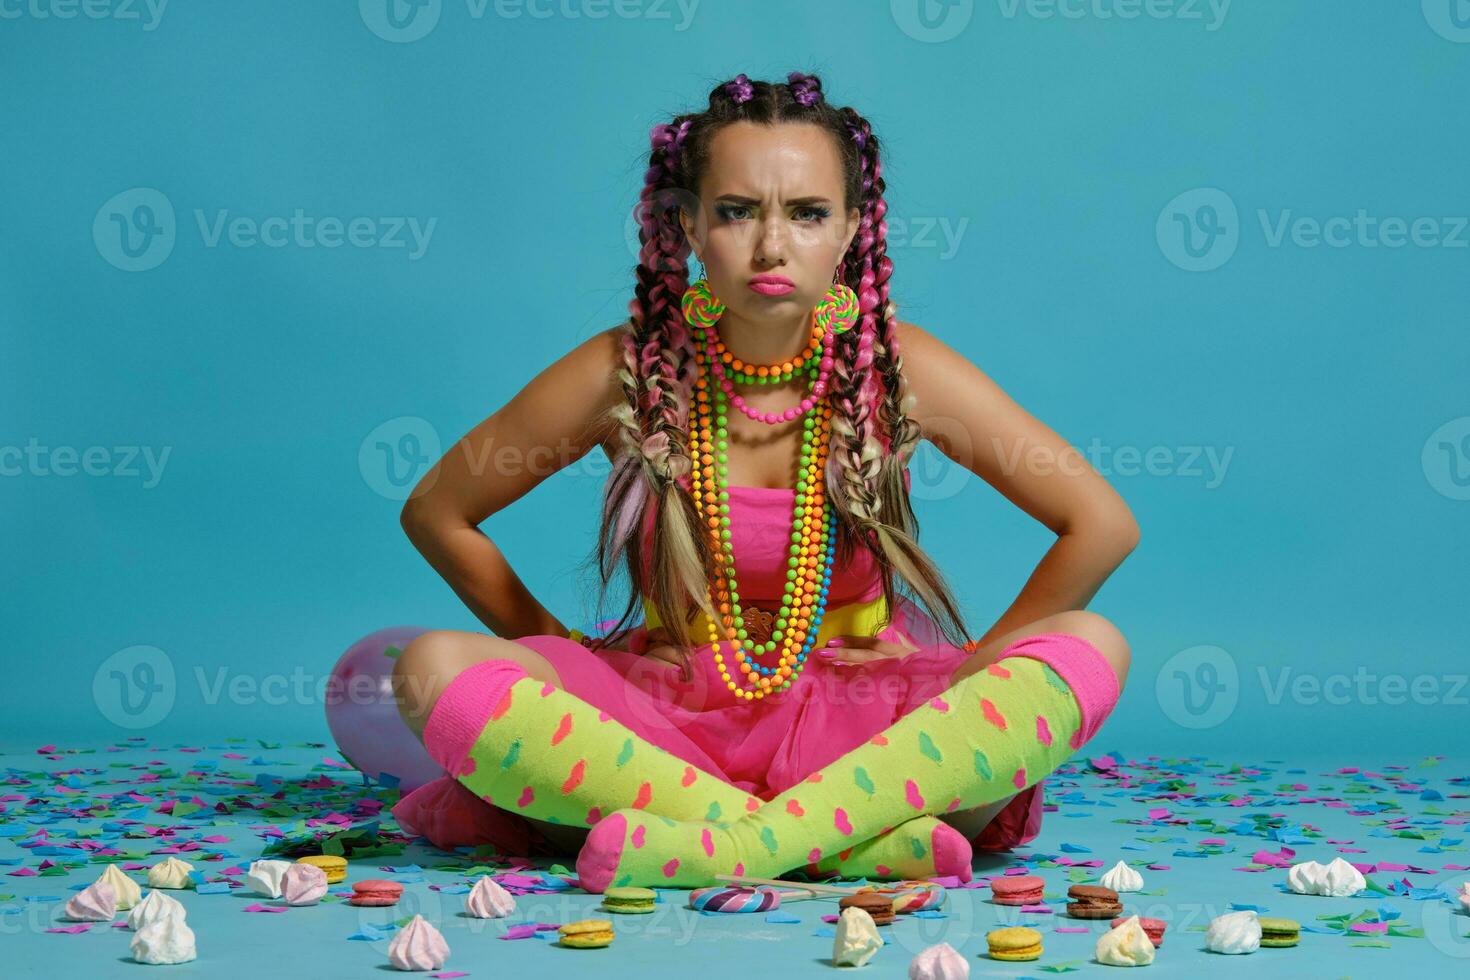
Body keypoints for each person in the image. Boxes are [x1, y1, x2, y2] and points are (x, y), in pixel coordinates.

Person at [388, 72, 1138, 890]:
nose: (771, 245)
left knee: (1092, 648)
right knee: (431, 666)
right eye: (737, 211)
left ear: (852, 228)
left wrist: (977, 672)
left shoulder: (899, 368)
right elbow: (440, 511)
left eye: (808, 213)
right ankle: (836, 845)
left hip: (864, 725)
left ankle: (721, 846)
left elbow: (1100, 522)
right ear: (687, 225)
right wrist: (558, 649)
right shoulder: (627, 371)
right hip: (663, 719)